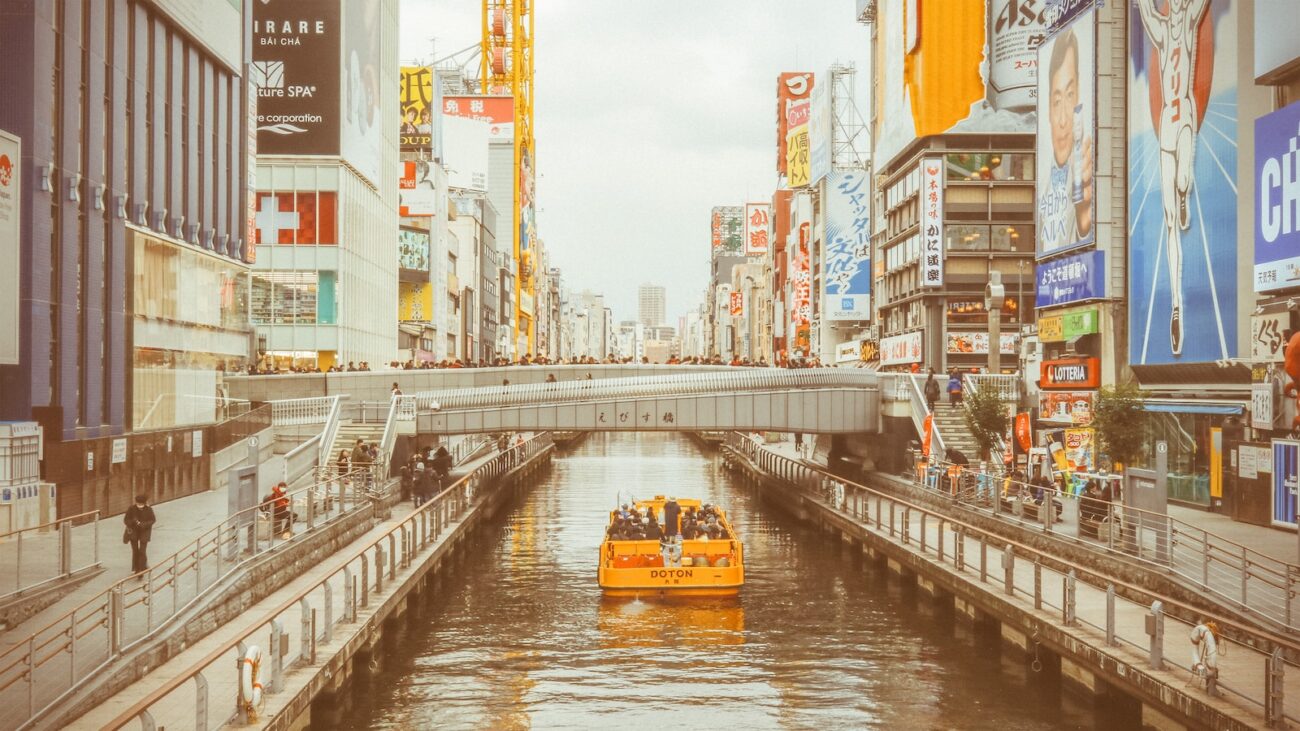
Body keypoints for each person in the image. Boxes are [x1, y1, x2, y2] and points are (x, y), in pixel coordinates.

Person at [1136, 0, 1210, 354]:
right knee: (1168, 222)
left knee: (1184, 179)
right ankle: (1176, 306)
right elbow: (1147, 13)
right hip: (1167, 122)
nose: (1177, 5)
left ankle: (1184, 192)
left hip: (1185, 119)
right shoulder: (1163, 32)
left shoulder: (1189, 21)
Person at [1040, 26, 1095, 257]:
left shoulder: (1089, 169)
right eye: (1056, 101)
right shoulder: (1041, 187)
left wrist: (1084, 217)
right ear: (1048, 112)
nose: (1063, 119)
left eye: (1070, 96)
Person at [124, 494, 156, 574]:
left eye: (141, 504)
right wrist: (133, 522)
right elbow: (126, 520)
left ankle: (142, 567)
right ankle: (135, 568)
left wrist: (144, 525)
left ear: (144, 503)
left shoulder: (149, 509)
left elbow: (153, 520)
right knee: (135, 550)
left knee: (142, 550)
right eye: (138, 504)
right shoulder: (131, 508)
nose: (139, 506)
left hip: (144, 532)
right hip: (134, 532)